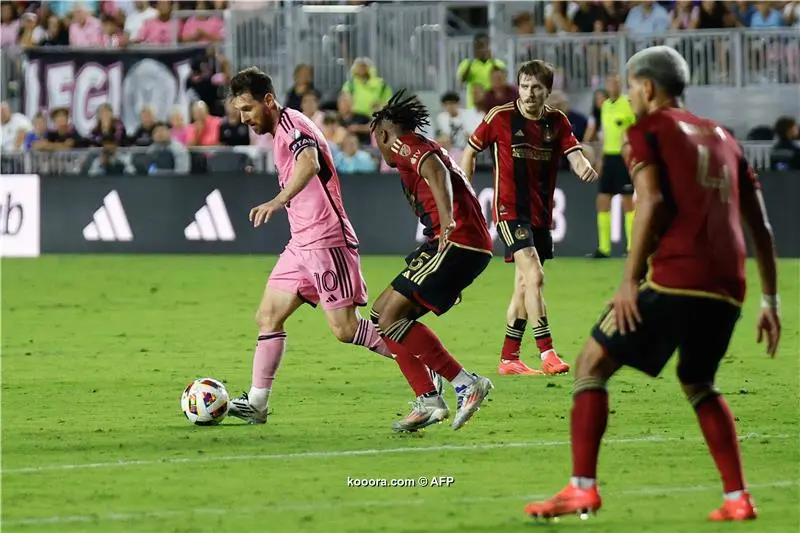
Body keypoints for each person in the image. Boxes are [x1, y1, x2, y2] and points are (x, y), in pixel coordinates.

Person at [524, 46, 780, 522]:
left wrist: (628, 280)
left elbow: (653, 202)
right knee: (698, 379)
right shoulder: (726, 137)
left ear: (645, 87)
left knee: (590, 363)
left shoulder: (647, 131)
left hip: (678, 278)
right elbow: (760, 227)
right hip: (729, 288)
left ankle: (582, 488)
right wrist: (771, 299)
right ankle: (737, 498)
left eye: (632, 86)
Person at [225, 67, 398, 424]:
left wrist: (277, 200)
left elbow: (309, 162)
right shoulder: (279, 129)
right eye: (239, 111)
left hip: (325, 240)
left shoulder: (293, 126)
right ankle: (257, 402)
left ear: (268, 100)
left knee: (346, 329)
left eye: (247, 109)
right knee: (268, 316)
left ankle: (428, 369)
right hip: (301, 243)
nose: (244, 119)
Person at [461, 60, 598, 377]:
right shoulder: (500, 117)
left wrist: (582, 167)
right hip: (510, 212)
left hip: (541, 215)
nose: (529, 93)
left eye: (536, 87)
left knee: (524, 286)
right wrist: (466, 190)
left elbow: (573, 153)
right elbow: (470, 150)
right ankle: (547, 352)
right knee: (535, 276)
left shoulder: (557, 122)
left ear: (547, 90)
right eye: (524, 86)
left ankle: (509, 359)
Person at [370, 89, 494, 432]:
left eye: (376, 141)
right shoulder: (417, 146)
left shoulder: (404, 144)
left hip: (456, 240)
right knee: (382, 313)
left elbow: (436, 171)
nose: (379, 150)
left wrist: (447, 220)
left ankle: (465, 383)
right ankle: (427, 399)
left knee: (392, 316)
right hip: (459, 244)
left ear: (382, 133)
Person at [591, 74, 636, 259]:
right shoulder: (606, 106)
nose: (613, 86)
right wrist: (600, 159)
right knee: (602, 201)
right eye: (610, 83)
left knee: (627, 202)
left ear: (621, 85)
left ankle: (632, 248)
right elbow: (605, 135)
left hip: (623, 158)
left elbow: (636, 129)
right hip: (609, 158)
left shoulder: (628, 103)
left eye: (616, 83)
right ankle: (604, 248)